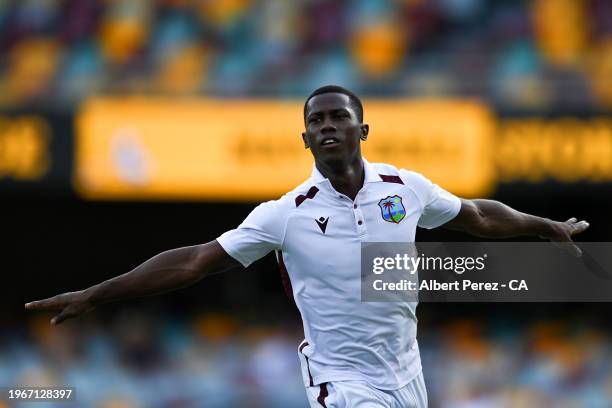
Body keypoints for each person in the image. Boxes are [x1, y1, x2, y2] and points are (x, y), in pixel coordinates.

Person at [25, 85, 589, 407]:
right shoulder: (284, 215)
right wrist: (96, 294)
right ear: (305, 138)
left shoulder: (404, 187)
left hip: (408, 372)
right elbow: (194, 261)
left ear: (361, 131)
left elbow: (477, 217)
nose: (327, 126)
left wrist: (545, 227)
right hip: (340, 380)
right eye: (316, 120)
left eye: (339, 117)